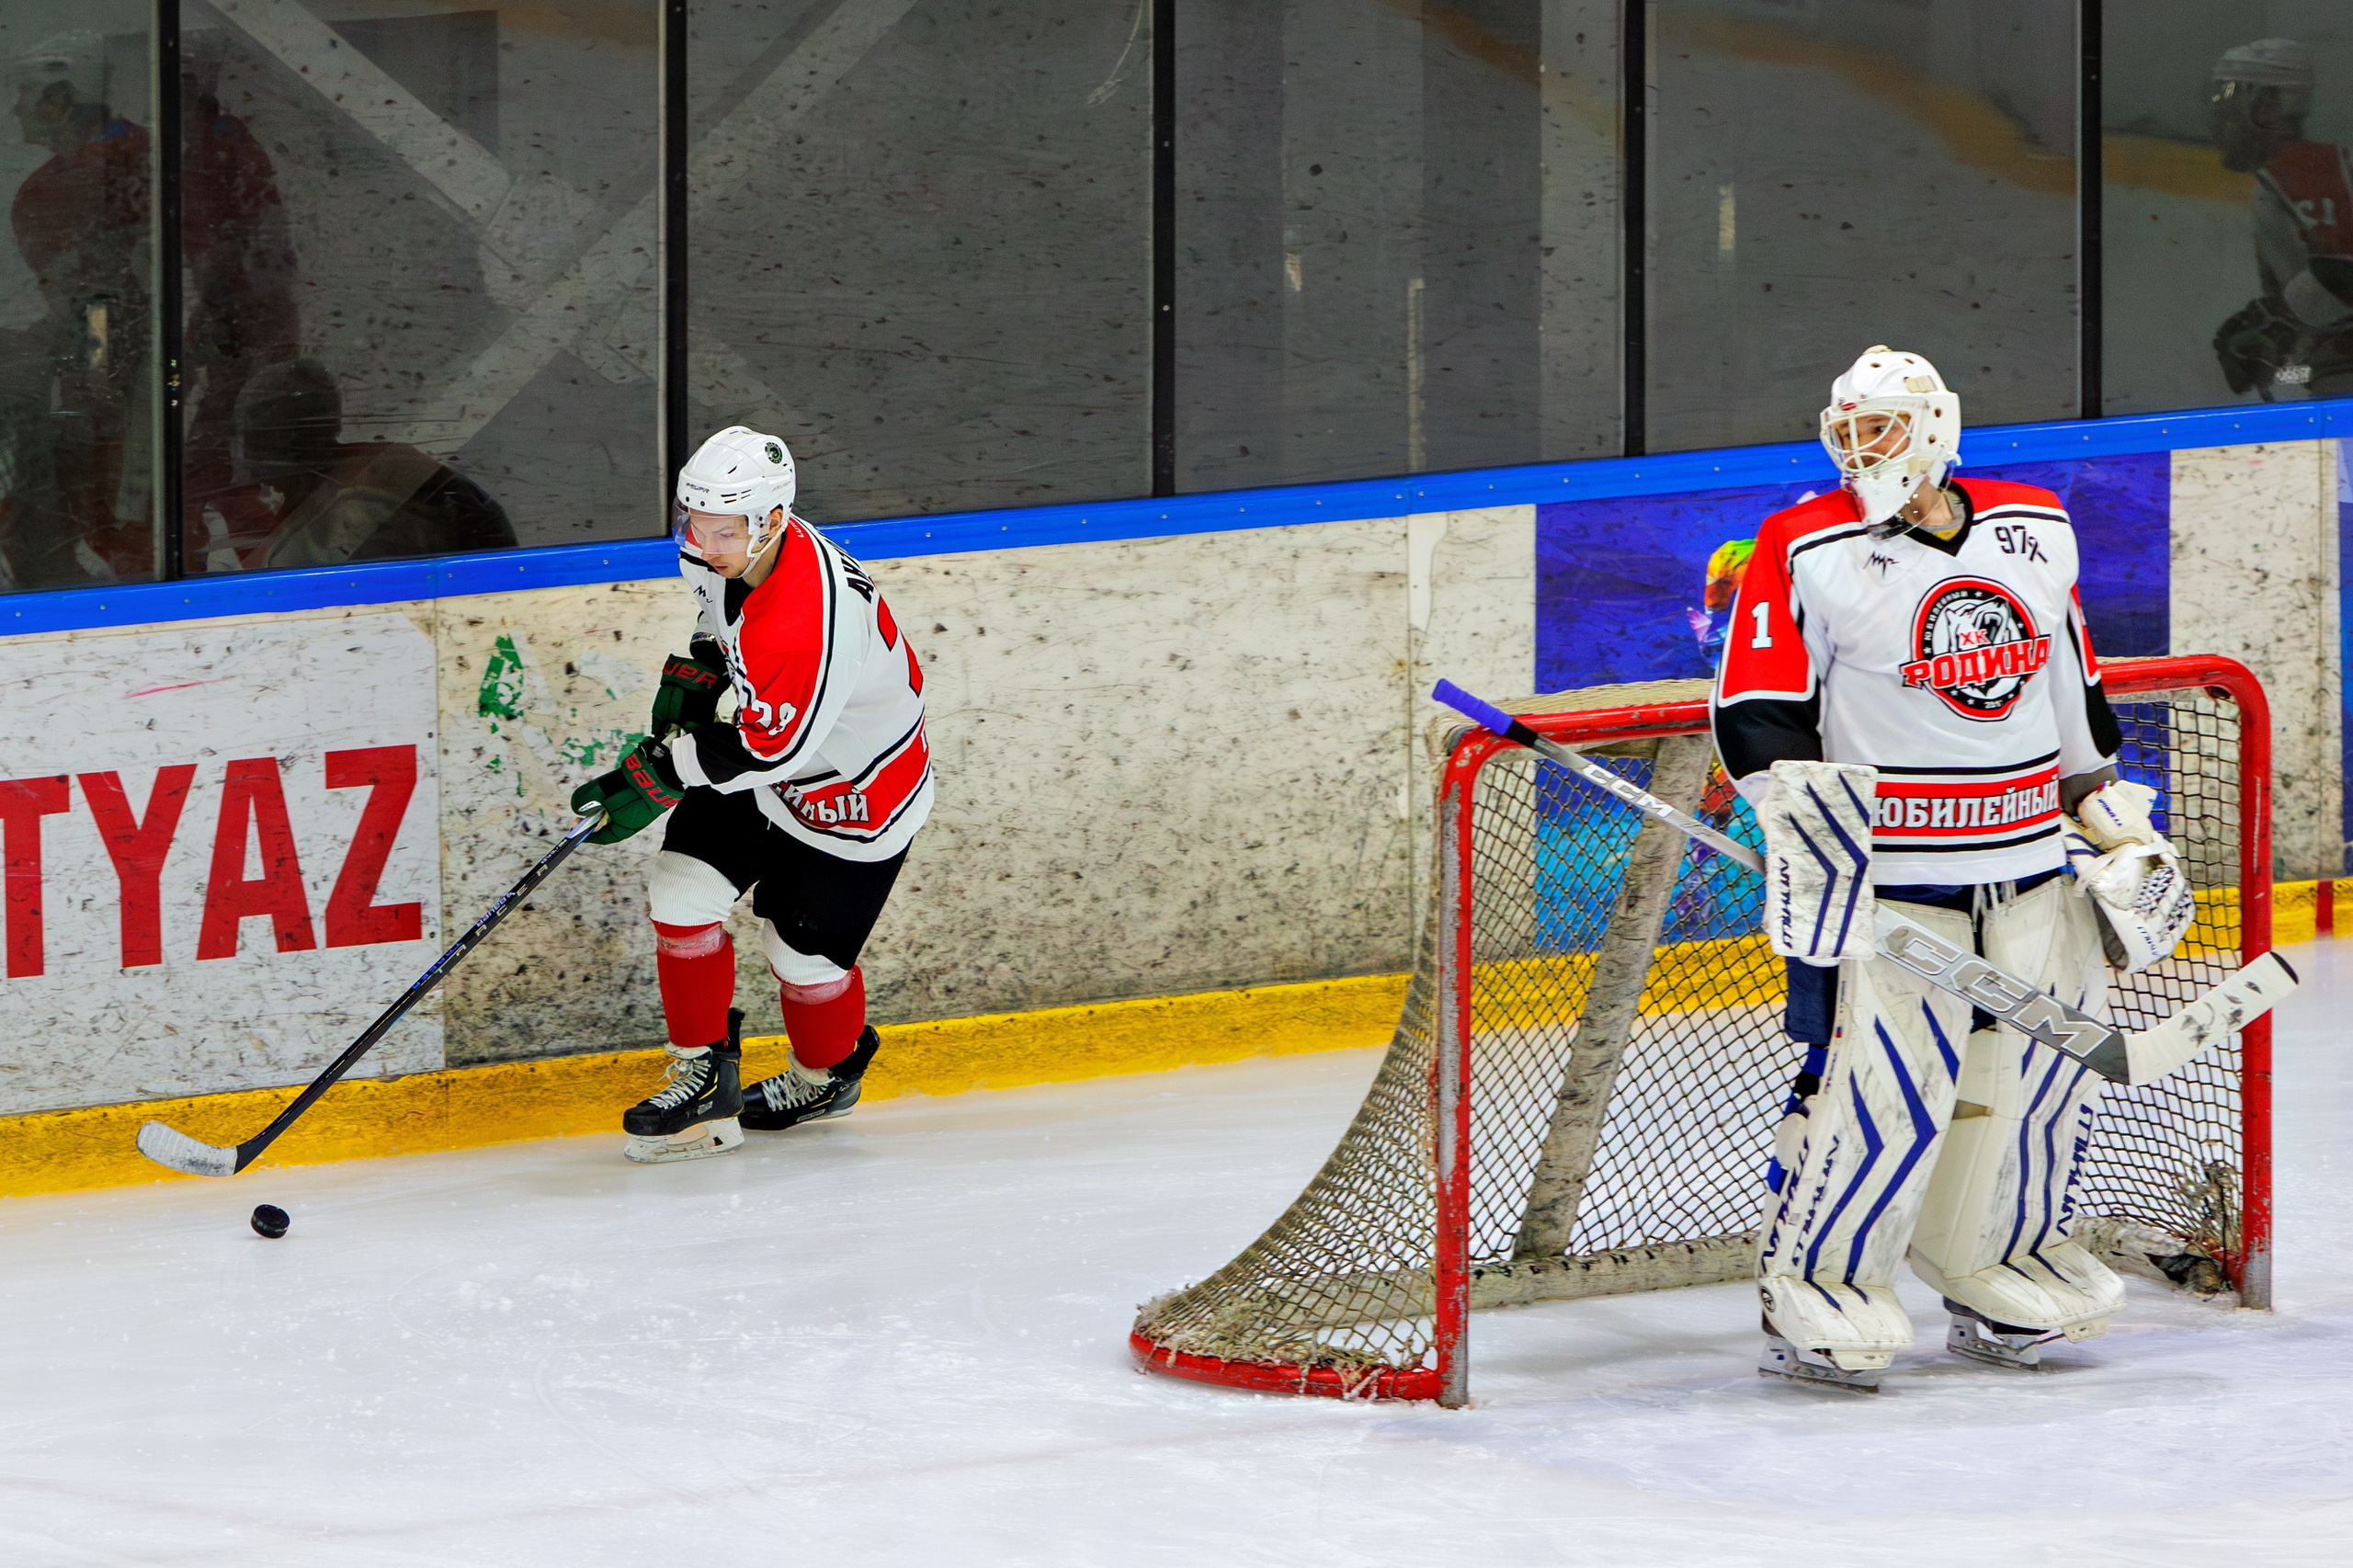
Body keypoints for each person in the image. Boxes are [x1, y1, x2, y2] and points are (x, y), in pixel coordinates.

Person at [1711, 347, 2194, 1391]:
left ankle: (1996, 1262)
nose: (1857, 449)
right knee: (1880, 1091)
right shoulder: (1803, 544)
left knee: (2040, 1083)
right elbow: (1755, 705)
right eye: (1844, 430)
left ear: (1935, 423)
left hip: (2031, 865)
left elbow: (2070, 681)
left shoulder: (2035, 524)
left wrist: (2102, 811)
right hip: (1892, 878)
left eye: (1878, 427)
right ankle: (1820, 1288)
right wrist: (1793, 808)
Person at [570, 426, 934, 1164]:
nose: (700, 541)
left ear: (771, 521)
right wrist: (700, 669)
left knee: (802, 960)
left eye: (720, 528)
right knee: (680, 893)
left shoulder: (810, 615)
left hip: (855, 794)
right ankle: (703, 1075)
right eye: (691, 521)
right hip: (768, 758)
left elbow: (777, 749)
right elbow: (718, 619)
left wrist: (662, 774)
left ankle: (827, 1076)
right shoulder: (724, 548)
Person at [3, 32, 152, 587]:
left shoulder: (61, 187)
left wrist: (92, 381)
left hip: (121, 366)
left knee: (100, 502)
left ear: (58, 100)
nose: (16, 108)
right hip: (150, 354)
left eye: (23, 95)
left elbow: (98, 303)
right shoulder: (143, 146)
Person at [219, 358, 514, 567]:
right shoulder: (388, 458)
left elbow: (270, 586)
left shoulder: (338, 517)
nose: (251, 466)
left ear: (284, 445)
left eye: (256, 444)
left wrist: (233, 510)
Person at [2206, 39, 2353, 401]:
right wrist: (2276, 317)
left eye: (2228, 101)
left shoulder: (2302, 169)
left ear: (2268, 106)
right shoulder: (2289, 173)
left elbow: (2343, 270)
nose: (2219, 117)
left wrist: (2279, 322)